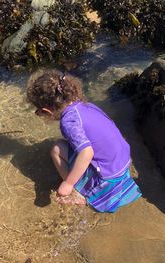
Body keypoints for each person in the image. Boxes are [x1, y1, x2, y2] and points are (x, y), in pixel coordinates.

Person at [26, 69, 142, 212]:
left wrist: (68, 183)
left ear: (47, 111)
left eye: (39, 111)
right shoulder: (86, 106)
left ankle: (77, 192)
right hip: (122, 163)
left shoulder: (68, 121)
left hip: (107, 178)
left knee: (57, 149)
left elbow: (87, 152)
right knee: (73, 146)